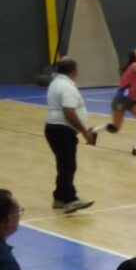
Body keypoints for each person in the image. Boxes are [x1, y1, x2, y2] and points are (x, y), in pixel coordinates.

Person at [44, 58, 95, 214]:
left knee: (64, 165)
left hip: (55, 129)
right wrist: (85, 132)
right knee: (68, 166)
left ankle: (59, 197)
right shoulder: (67, 87)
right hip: (62, 130)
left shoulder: (56, 83)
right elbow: (69, 113)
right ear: (73, 70)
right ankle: (69, 199)